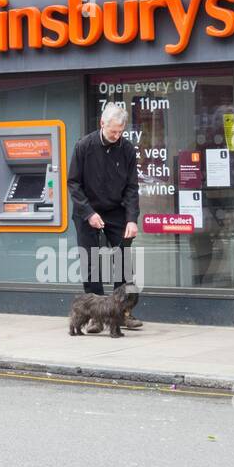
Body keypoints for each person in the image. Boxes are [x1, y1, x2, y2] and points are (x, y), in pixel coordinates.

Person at [68, 102, 142, 330]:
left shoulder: (127, 149)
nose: (117, 135)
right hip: (87, 210)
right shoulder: (84, 146)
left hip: (116, 211)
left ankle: (124, 313)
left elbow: (131, 187)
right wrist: (89, 213)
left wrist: (131, 219)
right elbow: (73, 183)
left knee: (122, 261)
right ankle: (95, 317)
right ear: (102, 124)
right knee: (91, 262)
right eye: (113, 131)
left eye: (120, 131)